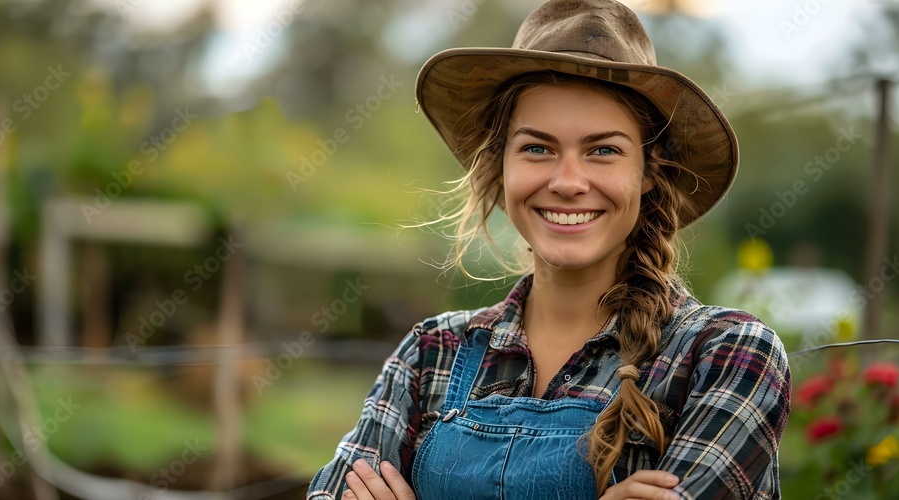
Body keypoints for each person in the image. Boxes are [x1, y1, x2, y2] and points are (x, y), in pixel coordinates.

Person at [307, 0, 791, 498]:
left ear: (649, 170)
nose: (567, 182)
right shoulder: (431, 354)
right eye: (537, 148)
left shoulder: (726, 355)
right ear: (500, 164)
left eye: (603, 150)